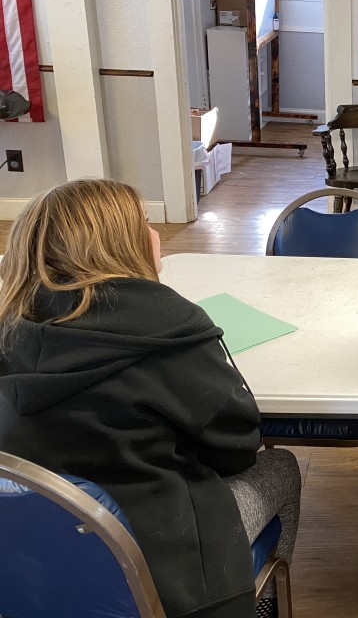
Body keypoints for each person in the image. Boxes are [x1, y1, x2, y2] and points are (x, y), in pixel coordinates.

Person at [0, 179, 300, 618]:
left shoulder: (11, 325)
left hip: (31, 556)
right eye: (145, 222)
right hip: (154, 558)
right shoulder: (170, 330)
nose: (157, 233)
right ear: (122, 243)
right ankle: (263, 606)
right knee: (282, 467)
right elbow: (237, 448)